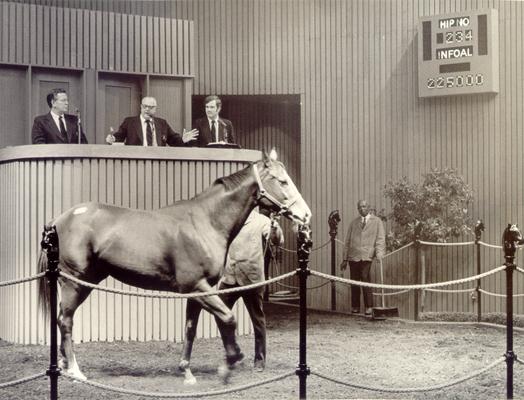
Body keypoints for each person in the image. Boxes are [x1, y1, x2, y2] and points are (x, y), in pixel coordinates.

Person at [216, 210, 283, 372]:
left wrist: (274, 226)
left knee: (257, 320)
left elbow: (276, 240)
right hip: (230, 277)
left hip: (252, 279)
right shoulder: (232, 218)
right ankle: (233, 350)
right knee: (218, 311)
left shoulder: (262, 221)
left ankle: (259, 360)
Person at [340, 199, 385, 316]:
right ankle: (355, 306)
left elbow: (380, 239)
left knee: (365, 278)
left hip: (367, 256)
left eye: (364, 206)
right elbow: (347, 241)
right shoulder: (353, 223)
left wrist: (379, 254)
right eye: (359, 207)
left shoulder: (377, 221)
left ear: (369, 207)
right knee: (354, 281)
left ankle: (369, 306)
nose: (362, 209)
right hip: (353, 256)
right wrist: (345, 259)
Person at [106, 96, 198, 146]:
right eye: (144, 106)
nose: (147, 109)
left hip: (158, 159)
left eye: (150, 107)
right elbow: (119, 136)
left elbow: (173, 140)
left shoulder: (162, 123)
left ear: (155, 109)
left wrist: (182, 139)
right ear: (141, 107)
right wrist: (112, 139)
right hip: (136, 159)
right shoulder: (129, 122)